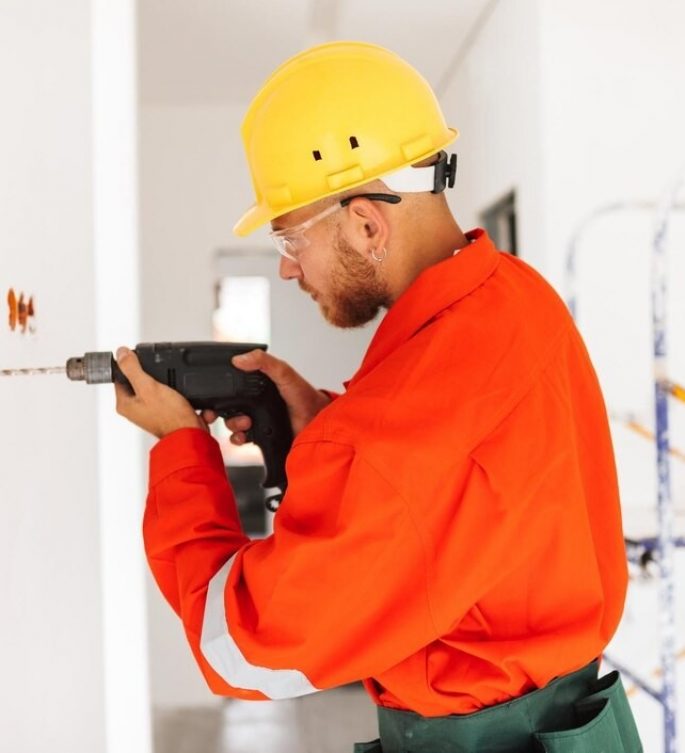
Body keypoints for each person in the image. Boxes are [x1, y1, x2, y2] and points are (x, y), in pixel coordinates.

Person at [115, 42, 642, 752]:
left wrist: (181, 451)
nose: (288, 269)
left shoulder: (397, 423)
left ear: (366, 224)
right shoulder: (516, 298)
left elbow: (246, 648)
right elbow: (471, 491)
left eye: (288, 237)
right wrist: (328, 427)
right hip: (571, 724)